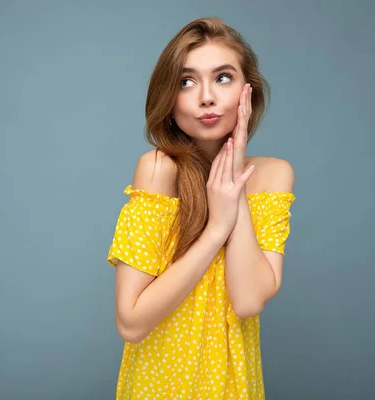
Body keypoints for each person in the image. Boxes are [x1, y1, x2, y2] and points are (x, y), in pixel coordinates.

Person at [106, 17, 295, 399]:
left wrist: (234, 186)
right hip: (159, 388)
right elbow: (130, 322)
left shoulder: (274, 175)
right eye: (186, 81)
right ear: (169, 98)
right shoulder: (158, 169)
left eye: (223, 77)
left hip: (234, 388)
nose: (205, 97)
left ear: (248, 91)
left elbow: (247, 302)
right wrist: (214, 231)